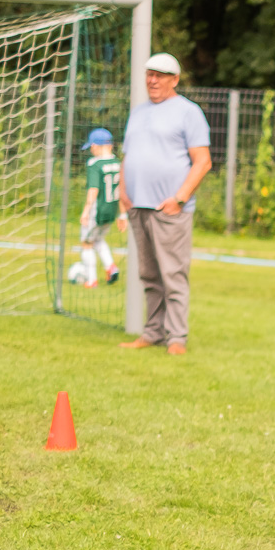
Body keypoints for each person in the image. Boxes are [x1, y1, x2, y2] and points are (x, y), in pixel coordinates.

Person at [117, 53, 211, 355]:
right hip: (138, 207)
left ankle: (176, 339)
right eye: (149, 74)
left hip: (169, 209)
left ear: (175, 80)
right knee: (149, 275)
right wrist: (123, 192)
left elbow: (203, 161)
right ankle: (153, 332)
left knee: (172, 274)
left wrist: (179, 199)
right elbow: (128, 156)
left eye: (160, 75)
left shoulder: (188, 112)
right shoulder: (139, 112)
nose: (152, 80)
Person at [71, 127, 123, 287]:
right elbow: (122, 189)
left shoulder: (95, 163)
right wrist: (122, 214)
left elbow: (93, 190)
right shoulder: (117, 163)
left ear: (97, 146)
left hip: (97, 210)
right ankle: (111, 267)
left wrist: (86, 211)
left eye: (92, 146)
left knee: (87, 242)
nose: (91, 150)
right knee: (98, 239)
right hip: (111, 209)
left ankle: (91, 279)